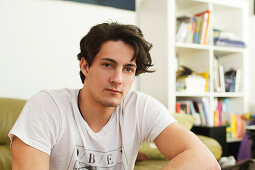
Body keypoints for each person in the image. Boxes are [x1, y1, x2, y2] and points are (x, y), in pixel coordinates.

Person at [9, 22, 220, 170]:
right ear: (85, 66)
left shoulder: (140, 107)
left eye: (128, 69)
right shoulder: (47, 106)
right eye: (108, 65)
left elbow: (205, 160)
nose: (118, 79)